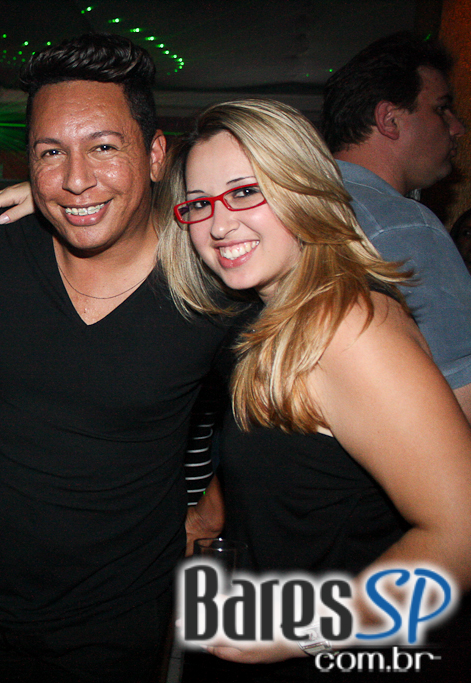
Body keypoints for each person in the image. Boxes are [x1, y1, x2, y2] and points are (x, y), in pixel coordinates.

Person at [0, 33, 231, 683]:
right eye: (50, 153)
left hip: (121, 616)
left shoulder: (209, 278)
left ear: (156, 155)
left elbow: (276, 408)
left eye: (104, 147)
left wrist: (213, 502)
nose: (75, 177)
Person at [158, 98, 471, 680]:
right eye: (199, 203)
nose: (218, 225)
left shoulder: (349, 329)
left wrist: (300, 631)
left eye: (246, 192)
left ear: (304, 191)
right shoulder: (271, 314)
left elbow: (462, 534)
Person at [322, 32, 471, 420]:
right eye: (442, 109)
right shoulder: (403, 225)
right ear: (389, 119)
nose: (457, 127)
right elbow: (462, 397)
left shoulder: (298, 203)